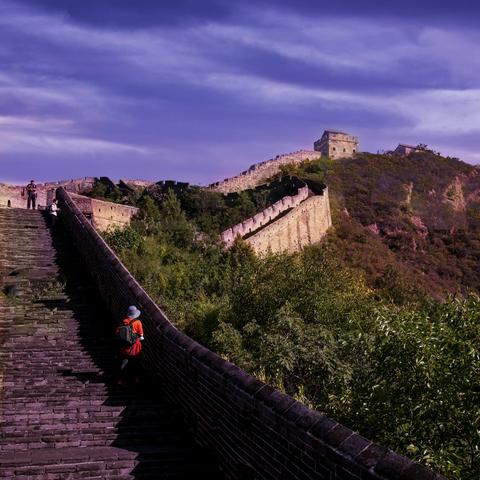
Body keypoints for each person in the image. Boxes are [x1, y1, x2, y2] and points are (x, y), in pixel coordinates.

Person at [116, 306, 145, 386]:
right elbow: (141, 334)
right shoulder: (138, 322)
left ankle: (120, 380)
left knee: (124, 362)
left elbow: (117, 333)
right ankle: (136, 379)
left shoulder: (123, 322)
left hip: (125, 346)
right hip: (135, 346)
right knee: (135, 362)